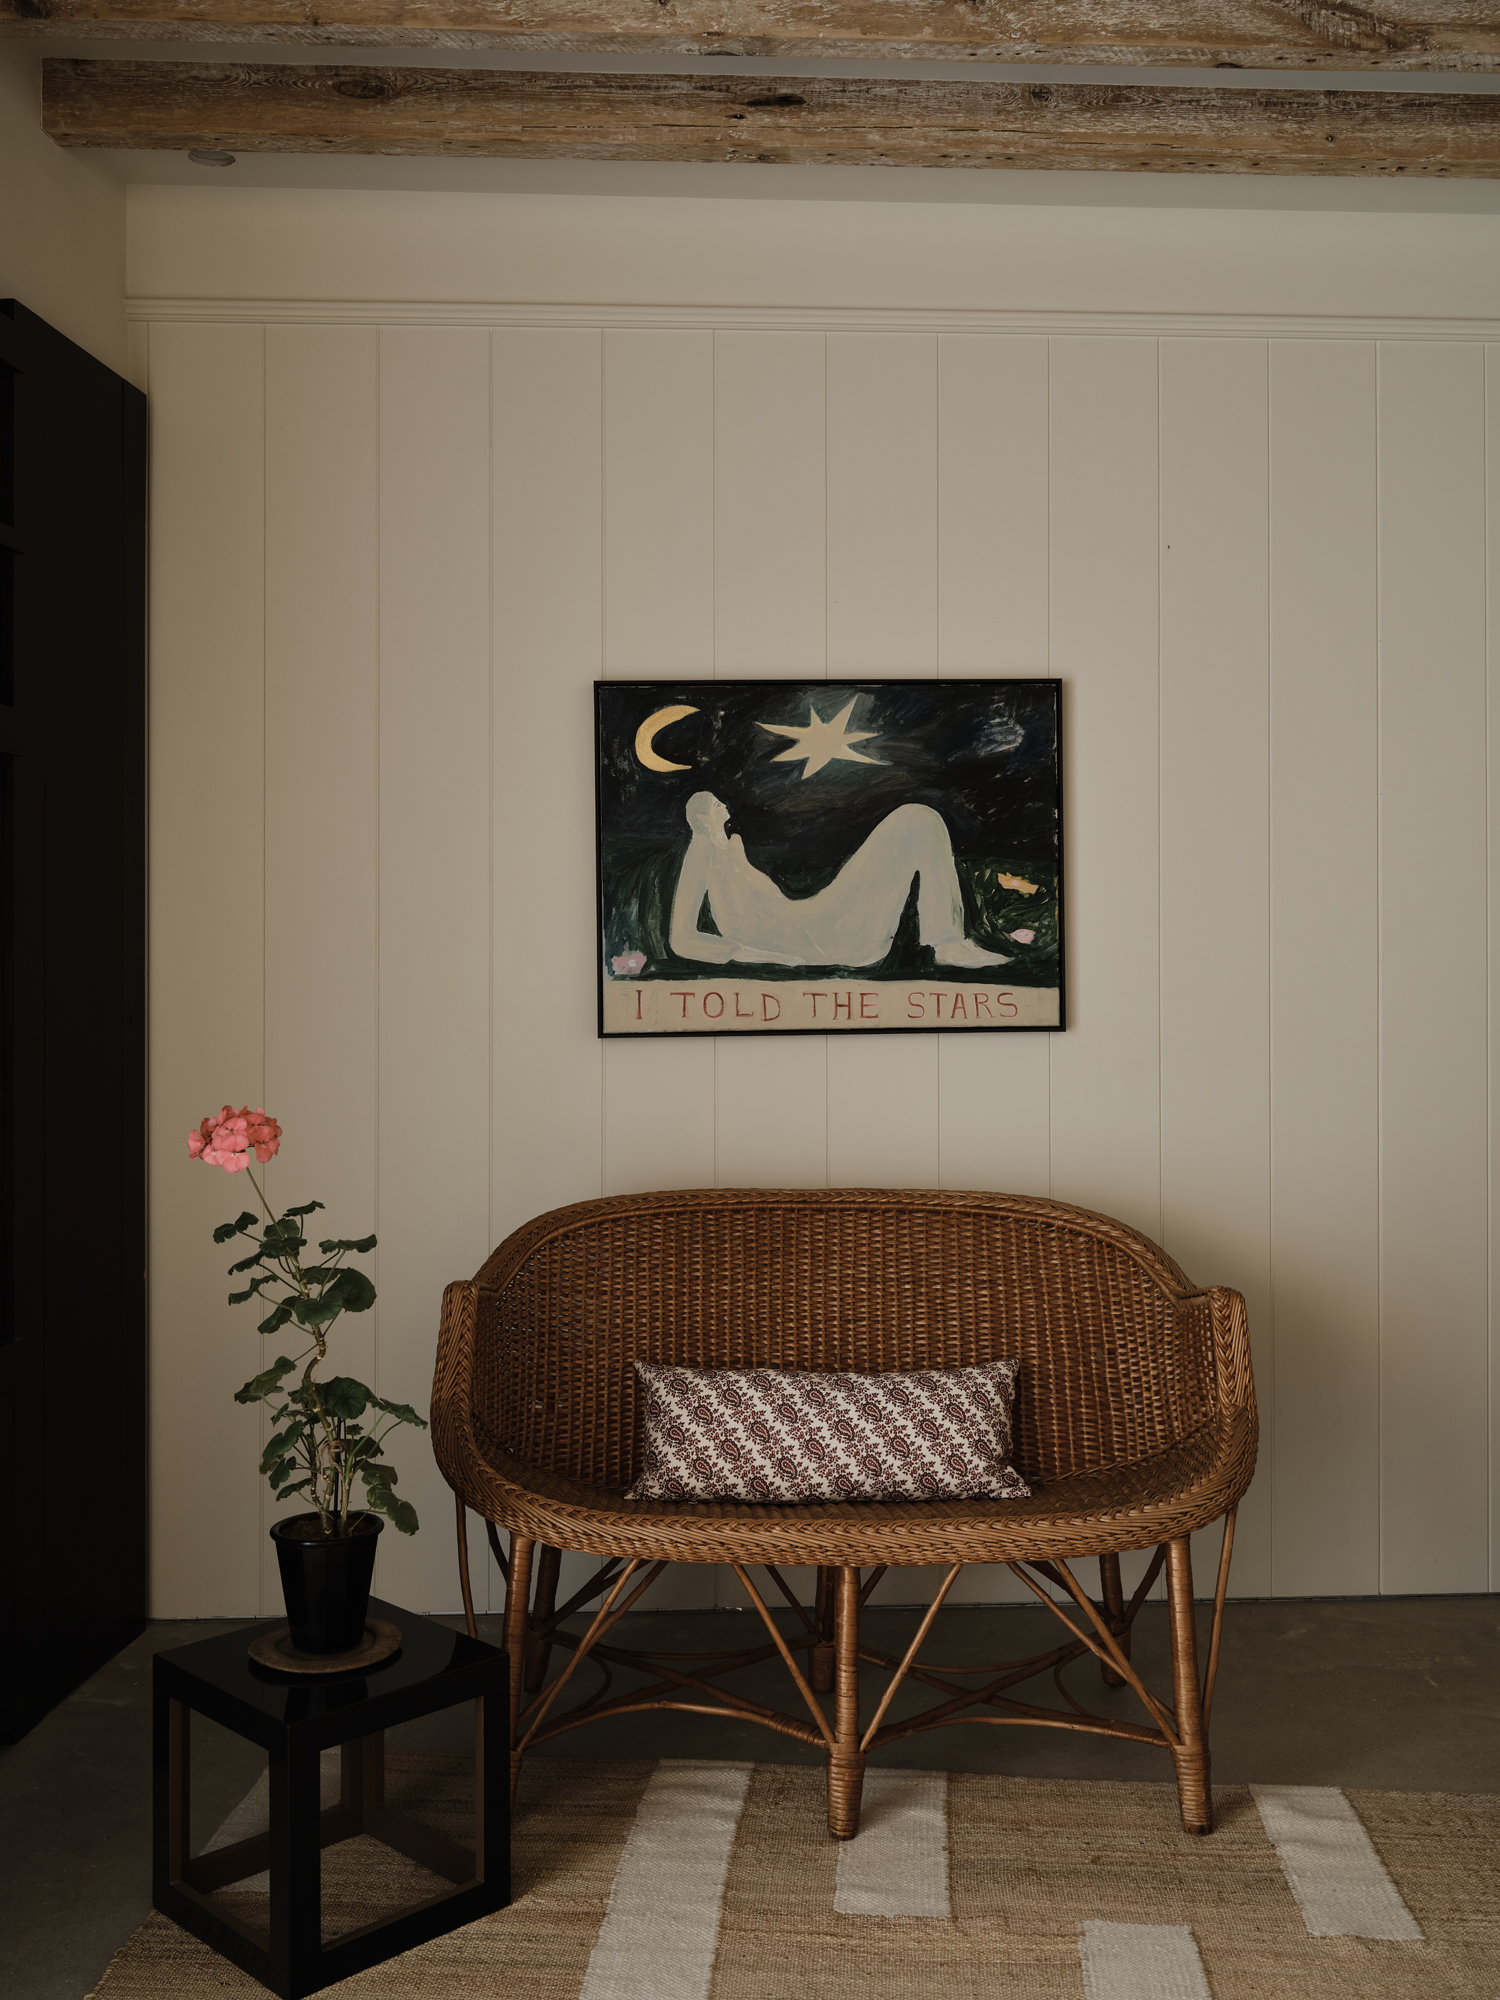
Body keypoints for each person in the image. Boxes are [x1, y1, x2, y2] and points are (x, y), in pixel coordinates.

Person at [668, 792, 1009, 970]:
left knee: (920, 818)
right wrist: (759, 956)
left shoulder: (730, 850)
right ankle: (947, 942)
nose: (724, 805)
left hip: (817, 923)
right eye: (715, 804)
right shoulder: (701, 853)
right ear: (701, 817)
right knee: (917, 818)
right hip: (813, 938)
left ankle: (947, 940)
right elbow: (682, 939)